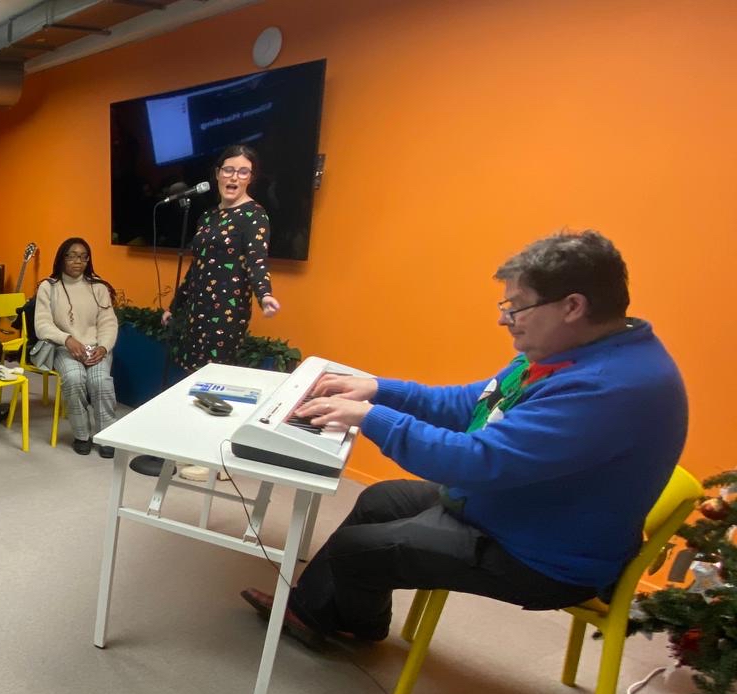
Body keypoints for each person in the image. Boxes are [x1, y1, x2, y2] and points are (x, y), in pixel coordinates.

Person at [242, 230, 688, 648]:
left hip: (540, 553)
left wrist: (372, 418)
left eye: (516, 307)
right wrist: (378, 389)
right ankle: (321, 612)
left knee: (356, 551)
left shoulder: (610, 388)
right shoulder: (573, 353)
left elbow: (474, 460)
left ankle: (352, 625)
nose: (503, 319)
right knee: (379, 501)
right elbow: (473, 403)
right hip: (516, 504)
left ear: (572, 306)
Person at [163, 144, 281, 369]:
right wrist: (175, 306)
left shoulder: (254, 215)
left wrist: (265, 295)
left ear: (250, 178)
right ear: (217, 174)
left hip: (226, 310)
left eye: (243, 171)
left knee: (212, 375)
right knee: (190, 372)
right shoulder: (208, 217)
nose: (234, 177)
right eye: (228, 170)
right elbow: (196, 267)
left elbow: (257, 260)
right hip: (196, 309)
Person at [33, 238, 119, 457]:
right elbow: (42, 325)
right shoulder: (48, 287)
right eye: (71, 255)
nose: (77, 261)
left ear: (88, 260)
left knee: (100, 381)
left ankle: (107, 435)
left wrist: (103, 348)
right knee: (74, 378)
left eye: (82, 256)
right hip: (64, 348)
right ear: (61, 258)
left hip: (96, 348)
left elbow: (108, 323)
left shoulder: (98, 287)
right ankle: (82, 435)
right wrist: (67, 339)